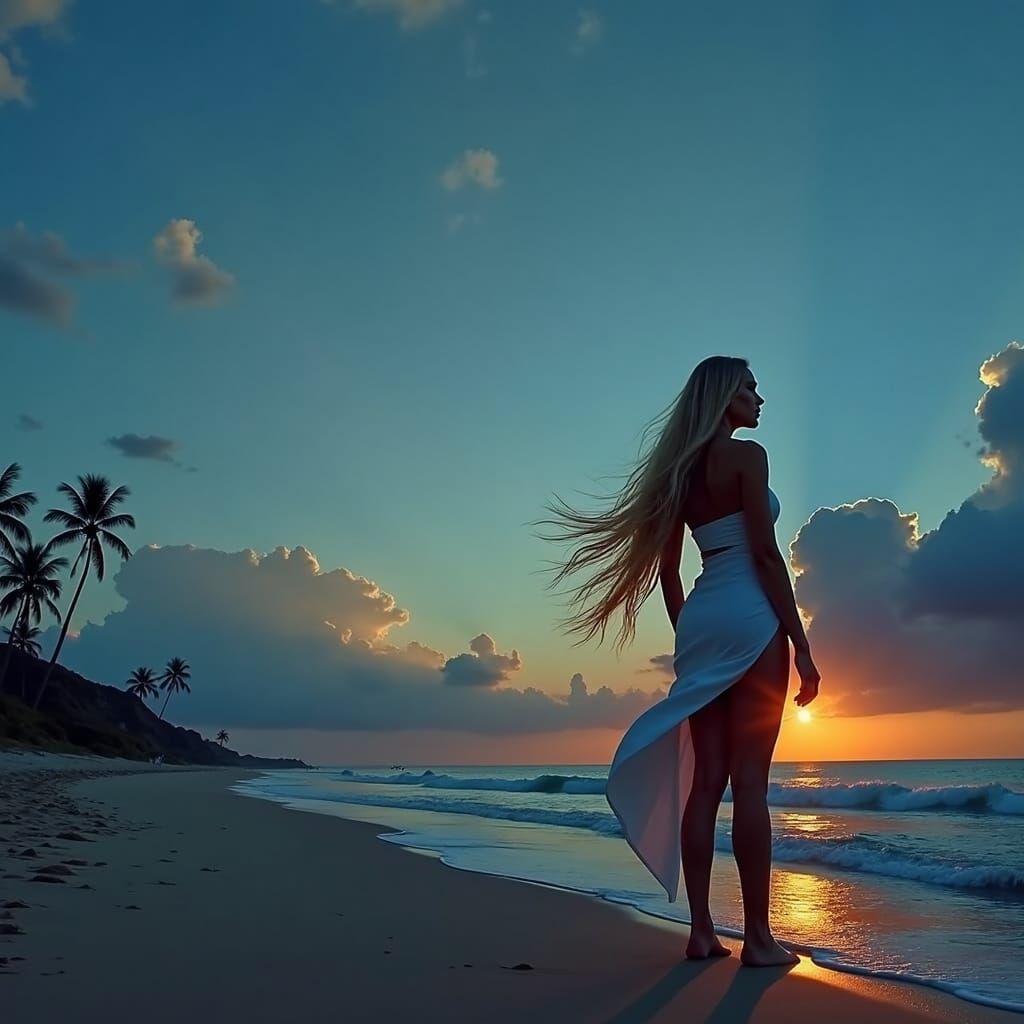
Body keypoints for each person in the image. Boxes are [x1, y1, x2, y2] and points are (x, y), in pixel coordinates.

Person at [533, 355, 820, 968]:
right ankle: (761, 942)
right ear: (724, 397)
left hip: (701, 618)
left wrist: (690, 634)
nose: (759, 397)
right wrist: (802, 646)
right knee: (750, 784)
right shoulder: (750, 458)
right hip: (750, 613)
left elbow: (668, 571)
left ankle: (699, 932)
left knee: (707, 784)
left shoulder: (677, 475)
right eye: (750, 387)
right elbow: (766, 557)